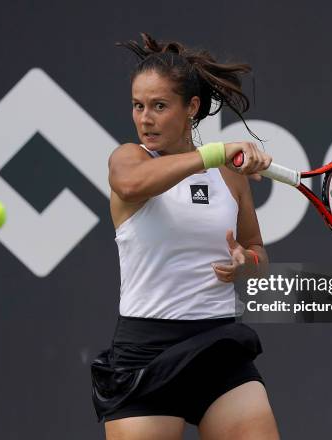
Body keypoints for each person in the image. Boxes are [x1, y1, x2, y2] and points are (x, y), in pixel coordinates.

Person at [91, 33, 280, 440]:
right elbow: (130, 184)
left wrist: (246, 263)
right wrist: (215, 153)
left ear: (191, 107)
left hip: (218, 347)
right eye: (138, 106)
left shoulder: (230, 175)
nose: (145, 118)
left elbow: (257, 252)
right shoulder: (128, 158)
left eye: (159, 106)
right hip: (146, 355)